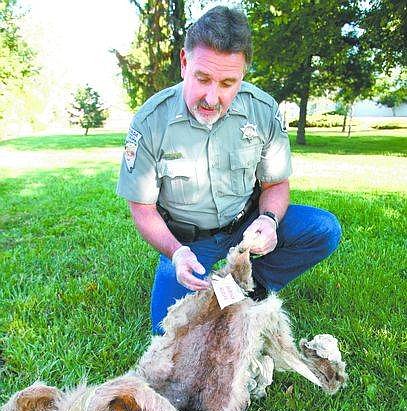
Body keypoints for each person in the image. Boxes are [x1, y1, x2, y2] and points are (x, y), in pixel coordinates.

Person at [117, 6, 341, 335]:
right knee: (166, 334)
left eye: (227, 83)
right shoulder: (151, 122)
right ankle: (200, 280)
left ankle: (247, 289)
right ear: (184, 63)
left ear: (243, 75)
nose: (212, 97)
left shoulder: (262, 111)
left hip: (245, 228)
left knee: (323, 229)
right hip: (189, 241)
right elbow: (142, 209)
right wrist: (177, 254)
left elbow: (275, 184)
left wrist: (268, 220)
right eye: (203, 78)